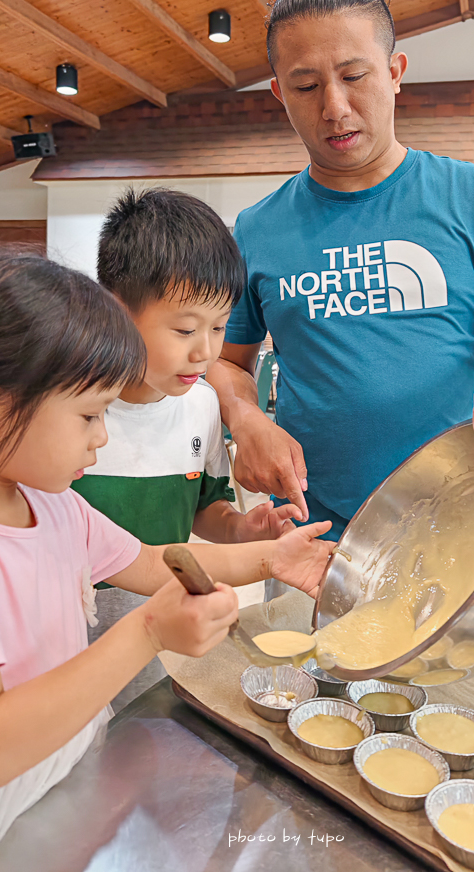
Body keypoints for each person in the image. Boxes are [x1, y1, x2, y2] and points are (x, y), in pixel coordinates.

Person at [0, 246, 331, 872]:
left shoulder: (52, 506)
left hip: (60, 781)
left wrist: (272, 557)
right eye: (88, 415)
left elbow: (158, 560)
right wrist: (147, 631)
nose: (101, 437)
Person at [208, 0, 474, 548]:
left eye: (354, 75)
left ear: (395, 73)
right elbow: (226, 363)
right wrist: (246, 420)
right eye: (305, 87)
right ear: (278, 94)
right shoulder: (257, 228)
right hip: (315, 529)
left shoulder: (472, 195)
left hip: (461, 514)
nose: (335, 106)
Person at [73, 188, 302, 710]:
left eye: (219, 327)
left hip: (168, 620)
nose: (206, 350)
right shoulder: (70, 413)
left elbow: (203, 508)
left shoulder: (201, 406)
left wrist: (241, 529)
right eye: (184, 328)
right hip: (73, 627)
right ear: (116, 310)